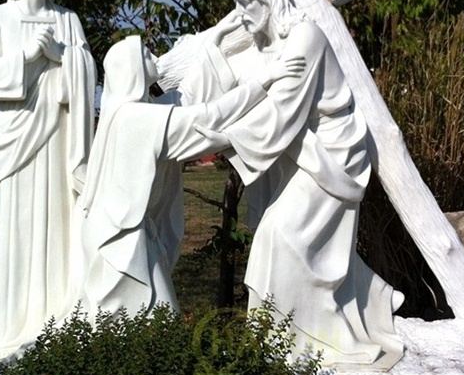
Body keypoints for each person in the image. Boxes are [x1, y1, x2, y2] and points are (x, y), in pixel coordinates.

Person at [180, 0, 405, 368]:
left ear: (267, 0)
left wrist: (218, 138)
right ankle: (297, 333)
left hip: (331, 156)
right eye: (236, 6)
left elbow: (282, 113)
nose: (241, 15)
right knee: (297, 245)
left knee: (281, 237)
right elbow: (227, 87)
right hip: (299, 153)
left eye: (246, 5)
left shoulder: (304, 37)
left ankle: (313, 342)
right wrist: (213, 39)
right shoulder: (266, 45)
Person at [79, 35, 305, 320]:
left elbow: (189, 97)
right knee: (149, 321)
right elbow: (208, 117)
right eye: (146, 54)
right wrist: (265, 80)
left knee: (143, 323)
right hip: (118, 241)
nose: (154, 56)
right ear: (133, 68)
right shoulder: (138, 118)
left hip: (121, 231)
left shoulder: (132, 112)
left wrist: (217, 40)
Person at [0, 0, 96, 360]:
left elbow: (87, 78)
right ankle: (10, 327)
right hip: (17, 137)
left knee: (59, 225)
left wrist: (62, 54)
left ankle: (55, 320)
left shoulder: (68, 21)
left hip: (60, 140)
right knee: (19, 227)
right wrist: (25, 55)